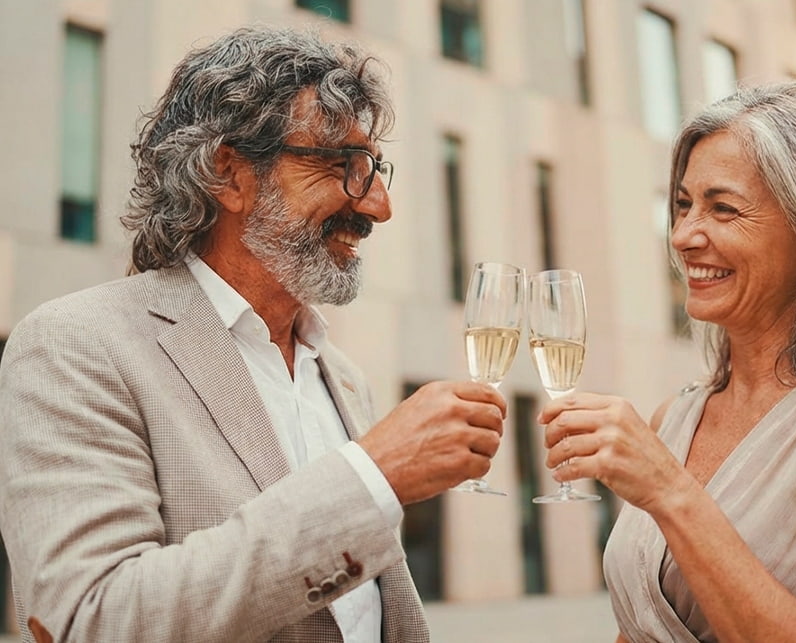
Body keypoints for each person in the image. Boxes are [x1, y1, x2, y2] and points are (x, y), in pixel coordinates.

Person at [0, 26, 507, 642]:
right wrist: (373, 477)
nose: (377, 205)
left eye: (373, 168)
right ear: (229, 173)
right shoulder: (74, 347)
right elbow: (91, 620)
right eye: (342, 165)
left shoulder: (341, 376)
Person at [539, 82, 796, 643]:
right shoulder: (674, 417)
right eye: (683, 205)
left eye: (723, 208)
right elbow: (643, 626)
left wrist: (670, 491)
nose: (684, 235)